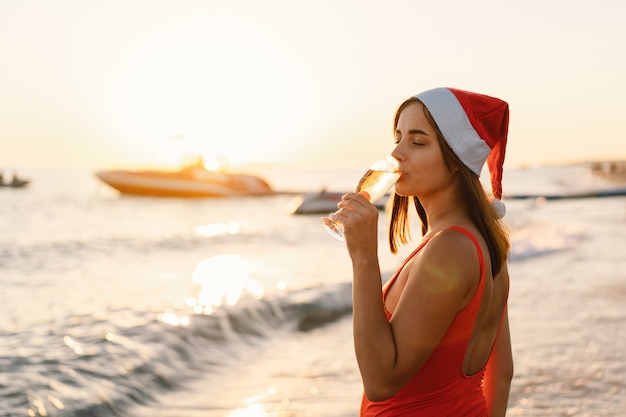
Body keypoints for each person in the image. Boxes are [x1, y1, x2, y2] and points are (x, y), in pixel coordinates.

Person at [333, 87, 513, 416]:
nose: (397, 154)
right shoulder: (483, 242)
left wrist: (363, 257)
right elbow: (500, 375)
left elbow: (381, 382)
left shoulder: (448, 250)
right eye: (398, 138)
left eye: (418, 142)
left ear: (457, 159)